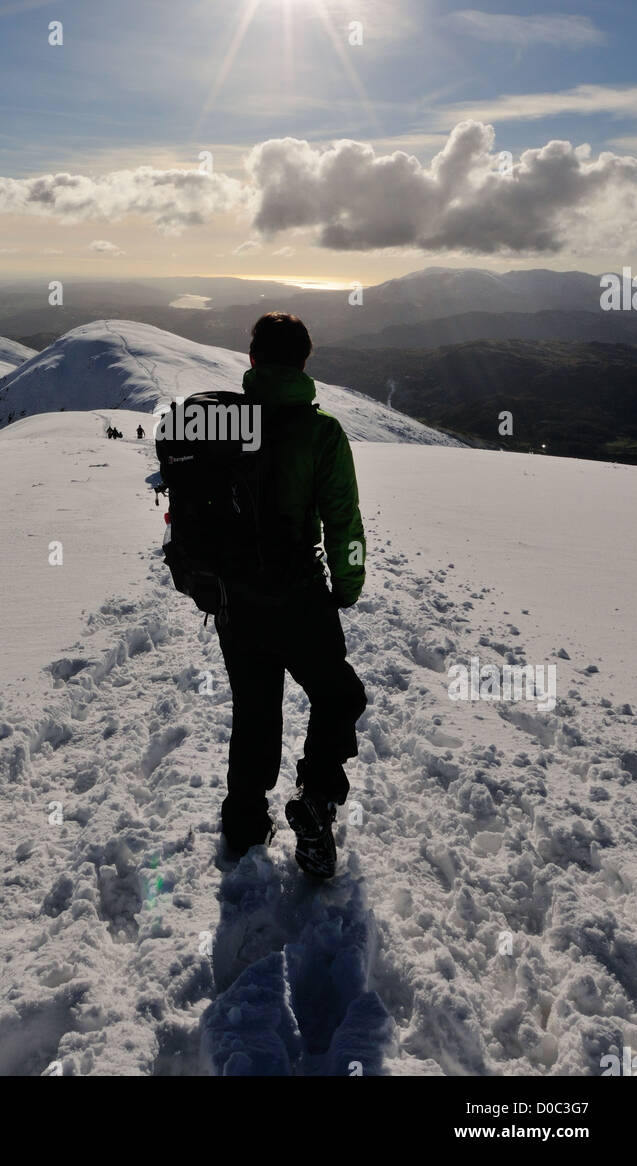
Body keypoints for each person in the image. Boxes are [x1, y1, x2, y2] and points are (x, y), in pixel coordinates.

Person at [215, 312, 368, 879]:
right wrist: (346, 589)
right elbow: (344, 523)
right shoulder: (321, 431)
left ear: (252, 361)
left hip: (235, 601)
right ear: (305, 363)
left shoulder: (222, 425)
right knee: (337, 696)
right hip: (299, 596)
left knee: (255, 710)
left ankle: (244, 820)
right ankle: (318, 801)